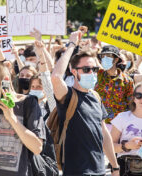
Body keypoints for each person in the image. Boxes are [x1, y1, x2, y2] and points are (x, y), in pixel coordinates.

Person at [51, 29, 120, 176]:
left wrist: (115, 167)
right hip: (76, 171)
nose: (92, 73)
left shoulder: (95, 96)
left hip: (100, 170)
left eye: (94, 69)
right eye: (86, 69)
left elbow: (104, 133)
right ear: (74, 71)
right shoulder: (68, 96)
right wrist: (71, 45)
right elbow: (56, 77)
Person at [95, 45, 134, 124]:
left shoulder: (127, 81)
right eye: (103, 56)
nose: (105, 58)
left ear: (116, 59)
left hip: (119, 125)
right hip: (99, 122)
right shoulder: (96, 75)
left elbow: (131, 104)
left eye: (108, 56)